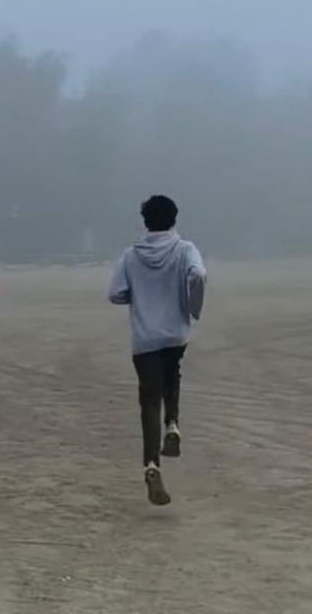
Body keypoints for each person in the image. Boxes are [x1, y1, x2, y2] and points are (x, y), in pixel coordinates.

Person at [107, 194, 206, 506]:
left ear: (145, 221)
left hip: (144, 337)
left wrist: (136, 298)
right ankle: (173, 424)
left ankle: (151, 464)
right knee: (171, 376)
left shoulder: (130, 256)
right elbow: (198, 275)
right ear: (174, 219)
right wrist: (192, 306)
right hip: (175, 332)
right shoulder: (185, 249)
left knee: (148, 399)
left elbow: (115, 293)